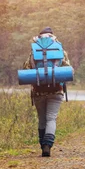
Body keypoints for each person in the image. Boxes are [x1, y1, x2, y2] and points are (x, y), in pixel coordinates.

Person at [23, 27, 71, 157]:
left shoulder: (34, 51)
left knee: (42, 119)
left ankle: (42, 144)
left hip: (38, 90)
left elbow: (26, 68)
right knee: (51, 118)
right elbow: (67, 68)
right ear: (52, 37)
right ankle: (47, 145)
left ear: (40, 37)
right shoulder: (59, 49)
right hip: (56, 90)